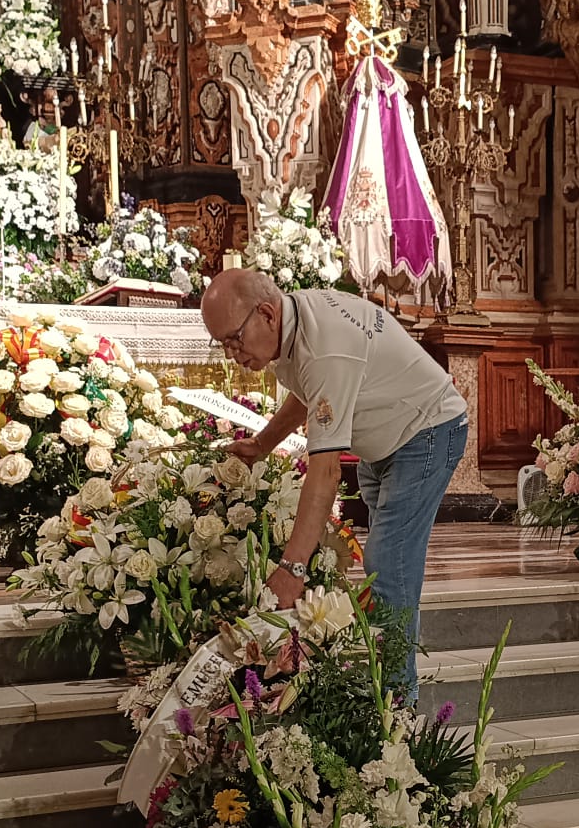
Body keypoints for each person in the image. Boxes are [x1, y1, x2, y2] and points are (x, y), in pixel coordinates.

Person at [200, 269, 467, 698]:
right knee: (391, 571)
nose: (232, 354)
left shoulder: (323, 348)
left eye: (234, 339)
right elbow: (307, 391)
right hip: (384, 439)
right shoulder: (293, 323)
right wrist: (263, 443)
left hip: (427, 431)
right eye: (223, 344)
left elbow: (324, 473)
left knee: (389, 566)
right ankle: (387, 685)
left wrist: (292, 569)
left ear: (266, 314)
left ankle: (398, 705)